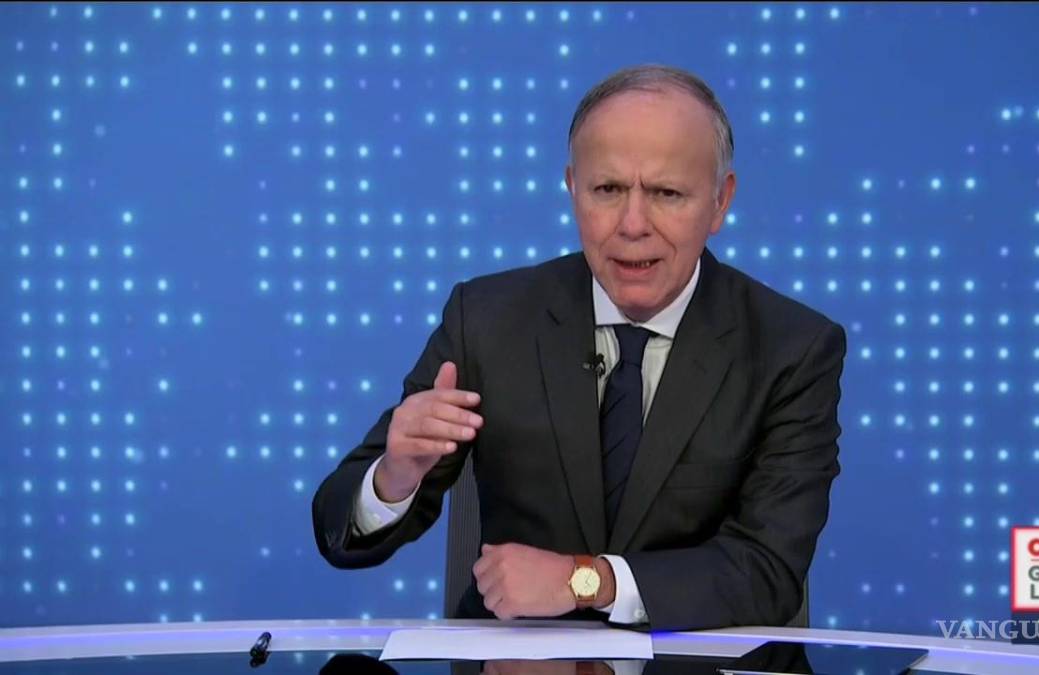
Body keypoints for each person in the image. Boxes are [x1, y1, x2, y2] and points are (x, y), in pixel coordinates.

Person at [312, 64, 846, 632]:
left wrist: (585, 579)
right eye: (607, 190)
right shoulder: (487, 320)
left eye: (666, 193)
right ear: (573, 188)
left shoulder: (791, 349)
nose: (632, 224)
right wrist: (394, 477)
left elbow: (768, 570)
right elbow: (340, 533)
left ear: (720, 202)